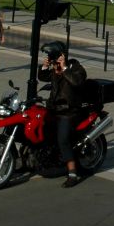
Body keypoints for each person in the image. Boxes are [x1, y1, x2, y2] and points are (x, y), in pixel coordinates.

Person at [38, 41, 88, 188]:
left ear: (62, 55)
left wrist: (64, 67)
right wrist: (45, 66)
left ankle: (72, 173)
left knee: (63, 139)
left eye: (52, 55)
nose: (50, 58)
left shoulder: (75, 67)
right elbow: (43, 77)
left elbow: (77, 82)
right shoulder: (55, 68)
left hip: (69, 112)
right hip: (53, 109)